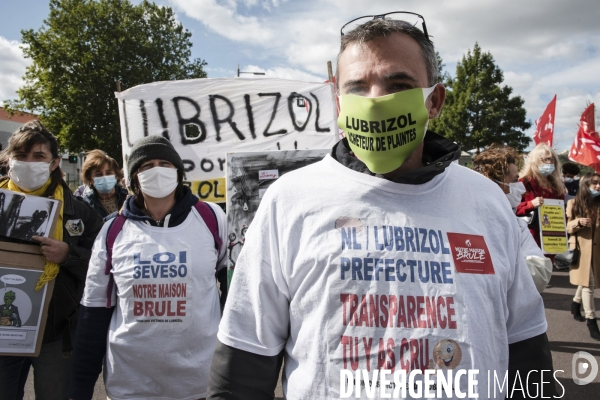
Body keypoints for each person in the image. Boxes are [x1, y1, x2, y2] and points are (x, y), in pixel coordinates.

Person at [208, 13, 554, 400]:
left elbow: (526, 347)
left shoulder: (486, 201)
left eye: (398, 85)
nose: (375, 102)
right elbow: (243, 364)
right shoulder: (289, 201)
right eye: (357, 88)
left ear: (435, 100)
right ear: (339, 105)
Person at [68, 136, 228, 400]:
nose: (157, 170)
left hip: (199, 384)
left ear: (178, 172)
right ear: (133, 178)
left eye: (165, 163)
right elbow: (93, 314)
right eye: (146, 166)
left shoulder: (211, 219)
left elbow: (234, 295)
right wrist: (80, 389)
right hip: (131, 386)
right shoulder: (112, 231)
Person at [0, 120, 103, 400]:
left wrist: (69, 255)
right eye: (21, 156)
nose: (28, 163)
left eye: (38, 156)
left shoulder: (80, 213)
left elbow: (102, 266)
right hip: (3, 331)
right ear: (8, 159)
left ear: (55, 162)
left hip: (57, 334)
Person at [472, 144, 552, 292]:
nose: (520, 188)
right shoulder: (463, 221)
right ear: (493, 184)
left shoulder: (516, 225)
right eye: (514, 180)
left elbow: (540, 275)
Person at [566, 172, 600, 340]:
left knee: (586, 280)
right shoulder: (574, 203)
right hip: (581, 252)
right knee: (589, 284)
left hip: (597, 252)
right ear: (586, 184)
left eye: (599, 183)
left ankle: (575, 303)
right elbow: (568, 227)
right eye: (594, 183)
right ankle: (591, 320)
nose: (597, 186)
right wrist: (579, 222)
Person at [516, 142, 566, 251]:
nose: (549, 162)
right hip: (529, 239)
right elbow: (512, 209)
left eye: (552, 159)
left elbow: (562, 214)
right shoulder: (523, 183)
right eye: (545, 159)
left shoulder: (557, 187)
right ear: (534, 161)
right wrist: (530, 204)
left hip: (551, 239)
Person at [76, 149, 128, 218]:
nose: (104, 177)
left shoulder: (126, 196)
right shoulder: (85, 204)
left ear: (116, 175)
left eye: (108, 173)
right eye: (98, 174)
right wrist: (119, 214)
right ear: (90, 179)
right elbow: (94, 227)